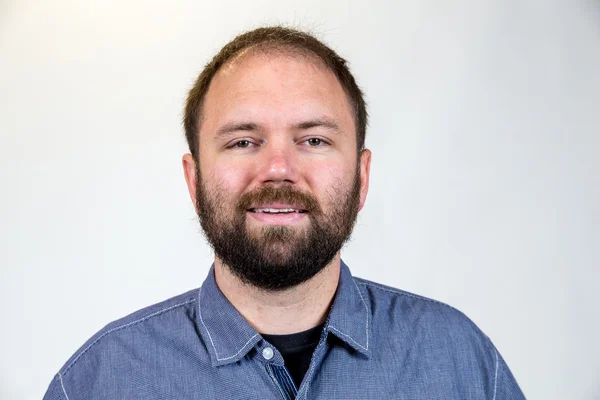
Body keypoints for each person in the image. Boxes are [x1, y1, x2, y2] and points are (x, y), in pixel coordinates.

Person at [43, 26, 525, 400]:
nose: (277, 169)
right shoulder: (101, 379)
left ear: (362, 176)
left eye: (313, 140)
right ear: (194, 180)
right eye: (243, 141)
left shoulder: (460, 359)